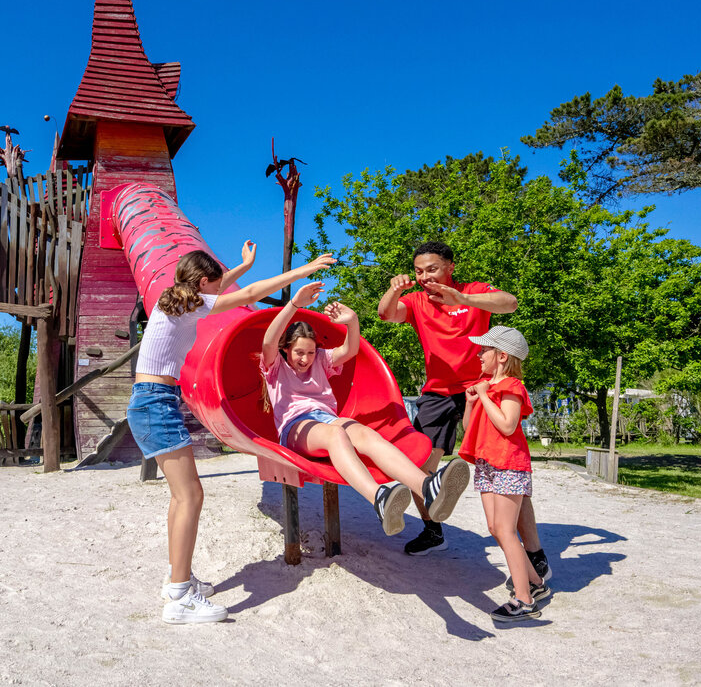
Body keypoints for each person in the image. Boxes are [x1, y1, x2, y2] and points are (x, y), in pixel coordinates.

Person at [130, 244, 336, 625]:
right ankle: (179, 598)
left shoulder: (176, 302)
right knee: (190, 495)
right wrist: (303, 271)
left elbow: (223, 287)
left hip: (152, 400)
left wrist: (242, 265)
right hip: (156, 403)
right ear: (201, 283)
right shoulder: (189, 305)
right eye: (214, 283)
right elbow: (247, 295)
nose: (218, 289)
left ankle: (178, 581)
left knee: (182, 496)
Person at [377, 241, 549, 580]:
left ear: (449, 268)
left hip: (482, 387)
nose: (424, 276)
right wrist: (392, 291)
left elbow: (510, 303)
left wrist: (463, 300)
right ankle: (432, 530)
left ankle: (534, 551)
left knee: (504, 472)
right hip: (438, 391)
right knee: (417, 463)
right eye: (418, 271)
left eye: (432, 269)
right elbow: (386, 314)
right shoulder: (415, 300)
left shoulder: (473, 291)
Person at [259, 282, 459, 537]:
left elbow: (350, 350)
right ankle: (378, 498)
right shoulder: (275, 366)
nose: (305, 358)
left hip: (327, 419)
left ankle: (427, 487)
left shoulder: (320, 360)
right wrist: (295, 304)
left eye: (310, 352)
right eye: (298, 352)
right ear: (286, 349)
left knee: (366, 434)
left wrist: (352, 321)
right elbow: (268, 340)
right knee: (336, 435)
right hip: (296, 426)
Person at [459, 325, 550, 622]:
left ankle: (524, 600)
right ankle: (535, 582)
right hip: (488, 463)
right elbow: (468, 427)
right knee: (496, 529)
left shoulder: (511, 386)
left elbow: (508, 425)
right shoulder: (487, 386)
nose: (478, 355)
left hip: (509, 463)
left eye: (483, 350)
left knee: (506, 530)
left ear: (501, 356)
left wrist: (485, 395)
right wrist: (472, 402)